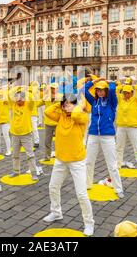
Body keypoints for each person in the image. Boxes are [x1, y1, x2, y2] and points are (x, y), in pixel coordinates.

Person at [43, 94, 95, 237]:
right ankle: (56, 212)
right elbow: (47, 112)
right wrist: (60, 104)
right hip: (61, 159)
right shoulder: (60, 116)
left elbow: (77, 113)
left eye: (69, 104)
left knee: (81, 194)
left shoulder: (82, 117)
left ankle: (89, 223)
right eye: (64, 104)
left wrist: (80, 102)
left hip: (77, 161)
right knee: (53, 187)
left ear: (77, 105)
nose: (66, 106)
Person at [84, 78, 124, 199]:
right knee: (88, 161)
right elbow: (84, 90)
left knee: (112, 163)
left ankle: (118, 188)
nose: (99, 92)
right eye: (97, 90)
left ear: (106, 90)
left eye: (102, 90)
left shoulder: (112, 101)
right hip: (93, 134)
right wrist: (95, 82)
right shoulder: (94, 101)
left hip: (107, 136)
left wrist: (108, 81)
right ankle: (87, 184)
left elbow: (112, 89)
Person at [8, 86, 38, 181]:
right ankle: (16, 171)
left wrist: (25, 91)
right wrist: (17, 88)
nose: (18, 101)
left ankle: (33, 173)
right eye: (17, 99)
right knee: (15, 155)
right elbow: (9, 94)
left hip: (26, 134)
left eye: (20, 99)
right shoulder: (13, 104)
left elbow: (32, 98)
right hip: (15, 134)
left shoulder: (28, 106)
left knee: (30, 155)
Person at [116, 84, 137, 174]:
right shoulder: (120, 99)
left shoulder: (136, 100)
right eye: (124, 92)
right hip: (121, 126)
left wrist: (135, 85)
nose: (126, 94)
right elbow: (115, 91)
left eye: (128, 93)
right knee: (119, 147)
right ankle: (117, 165)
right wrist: (121, 86)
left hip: (133, 127)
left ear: (132, 93)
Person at [40, 83, 62, 161]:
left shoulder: (60, 97)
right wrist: (43, 98)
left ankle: (59, 156)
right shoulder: (47, 97)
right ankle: (47, 157)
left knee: (59, 141)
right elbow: (38, 104)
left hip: (57, 122)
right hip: (48, 122)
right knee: (47, 141)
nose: (53, 90)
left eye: (54, 88)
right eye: (51, 88)